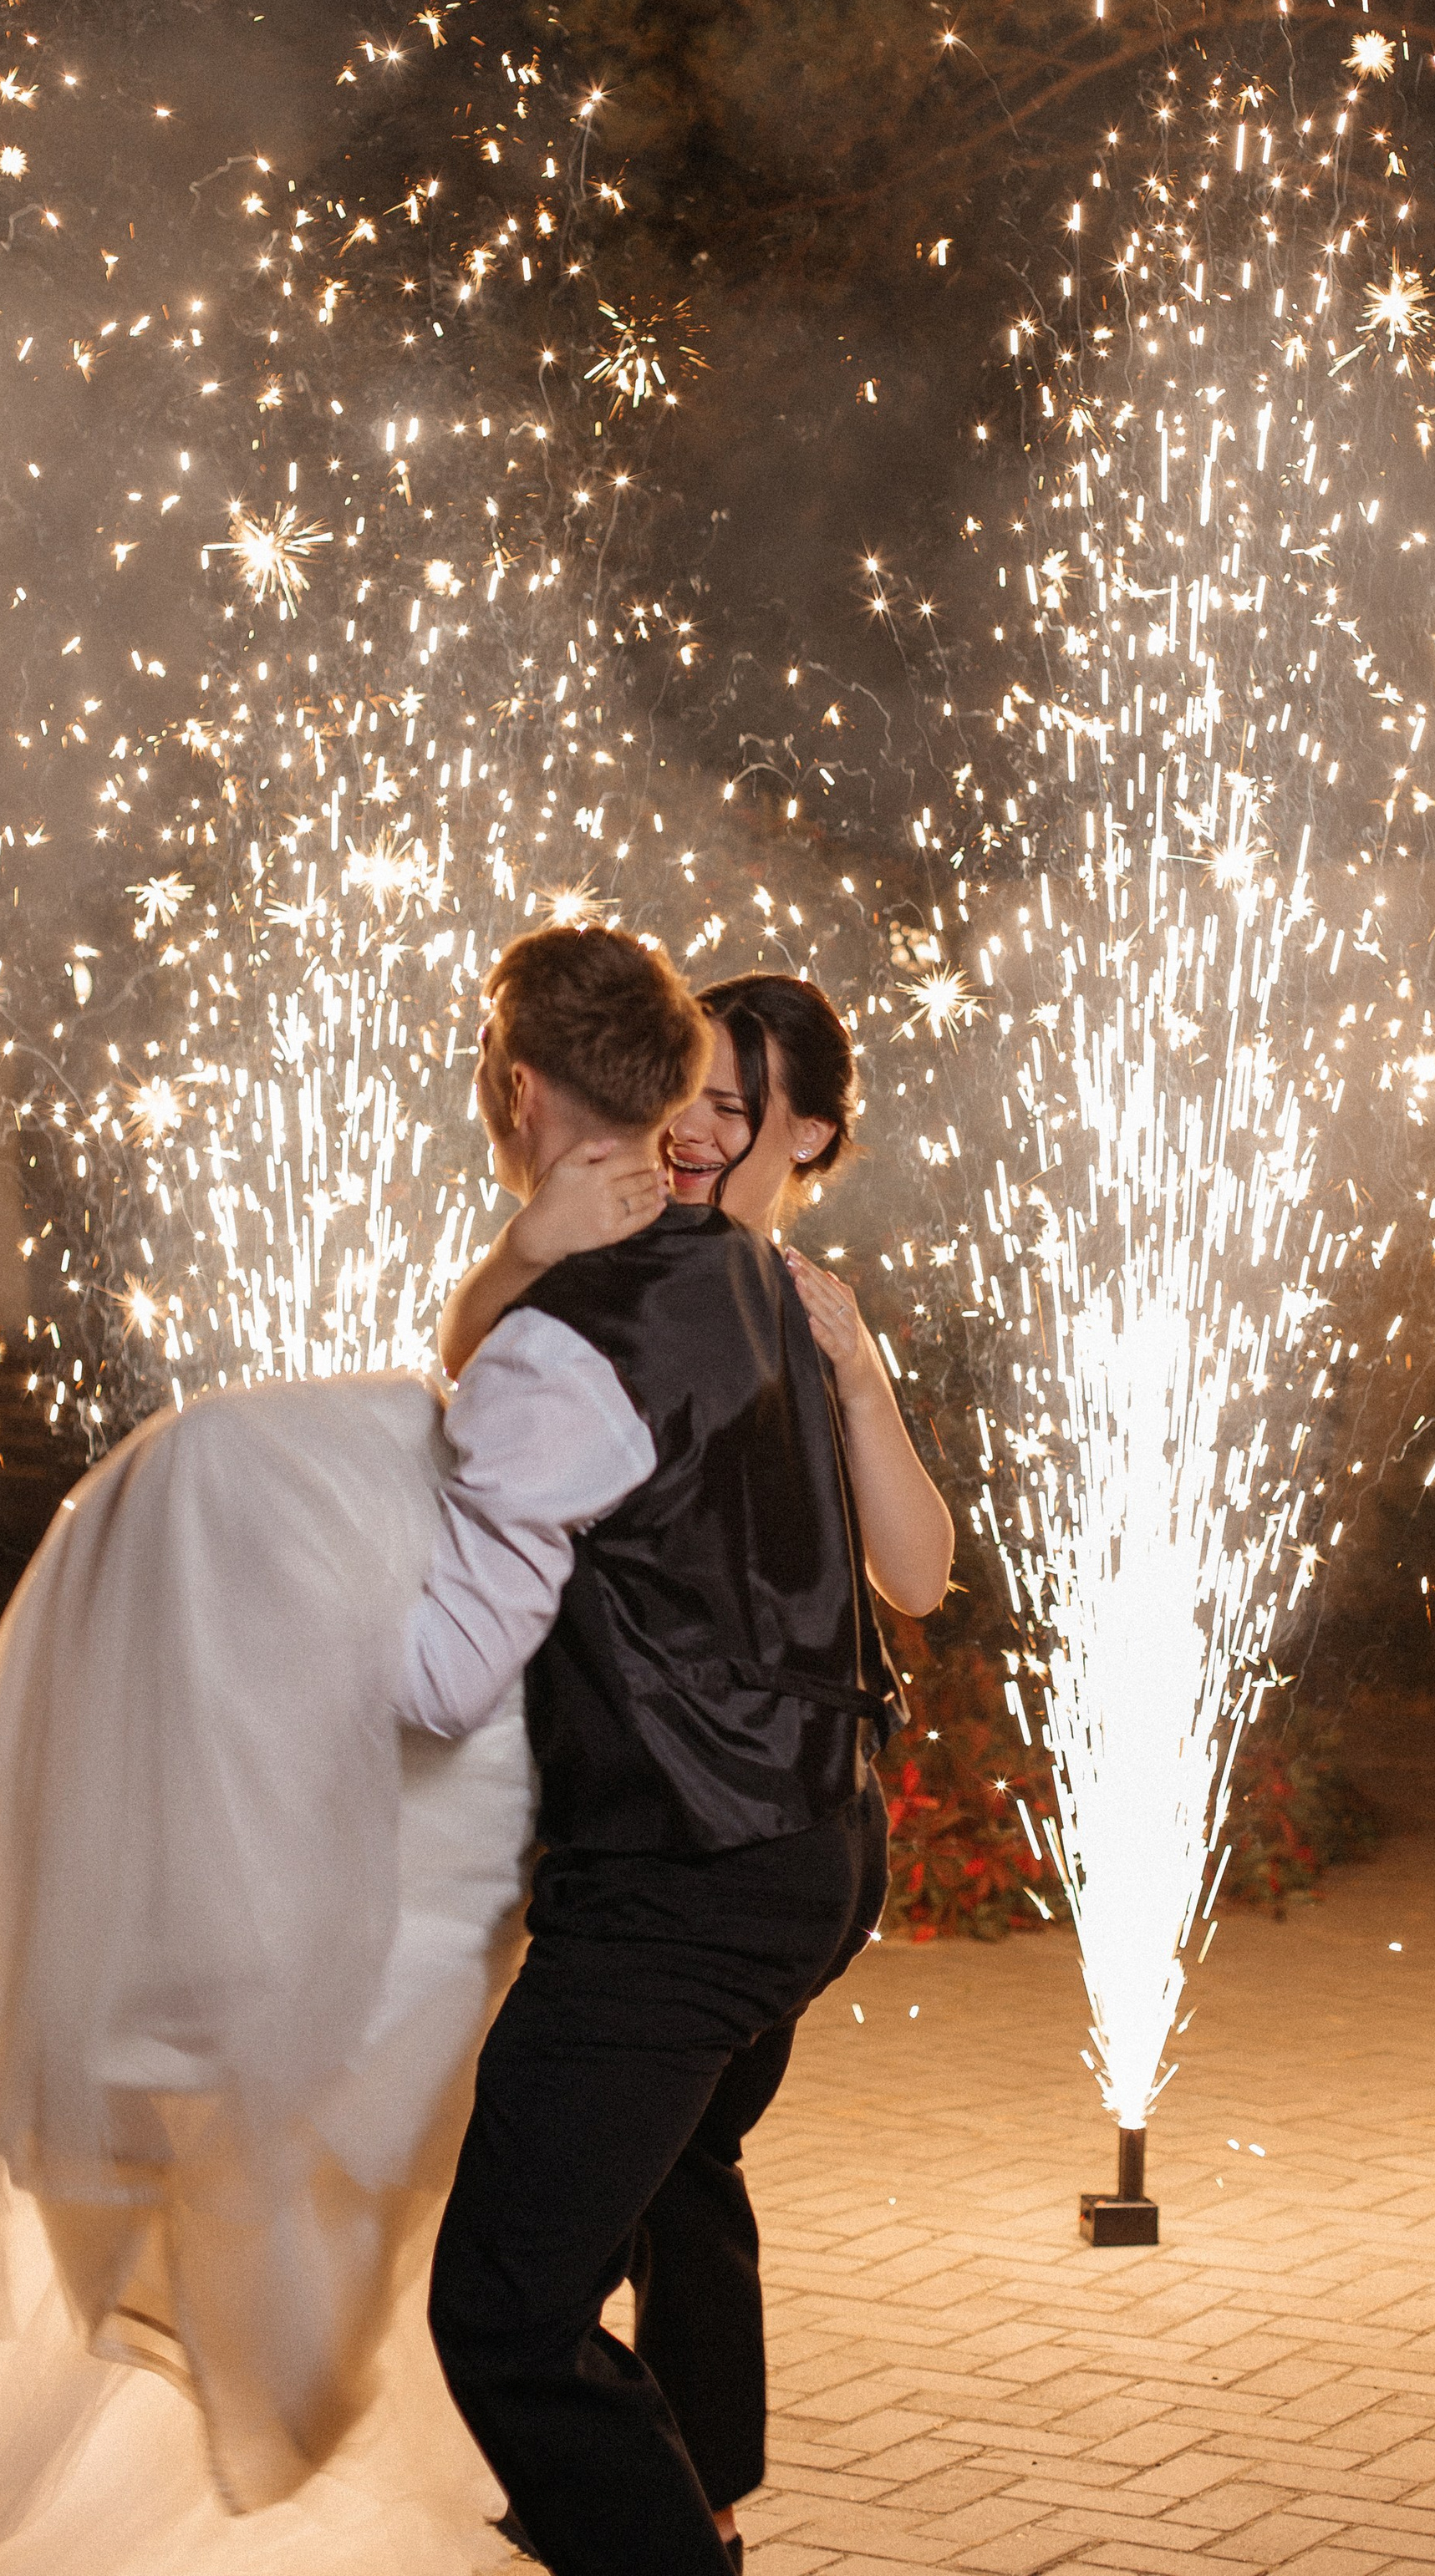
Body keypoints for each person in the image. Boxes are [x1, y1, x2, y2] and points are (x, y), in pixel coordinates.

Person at [0, 977, 674, 2576]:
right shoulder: (666, 1253)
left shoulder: (592, 1307)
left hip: (499, 1790)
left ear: (519, 1086)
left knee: (317, 2147)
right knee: (352, 2165)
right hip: (523, 1812)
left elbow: (464, 1635)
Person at [405, 951, 953, 2576]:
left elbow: (439, 1675)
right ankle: (682, 2486)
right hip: (795, 1841)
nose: (719, 1131)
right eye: (707, 1095)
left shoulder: (612, 1335)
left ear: (518, 1094)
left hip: (685, 1872)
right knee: (664, 2174)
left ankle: (670, 2517)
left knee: (506, 2311)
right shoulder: (740, 1273)